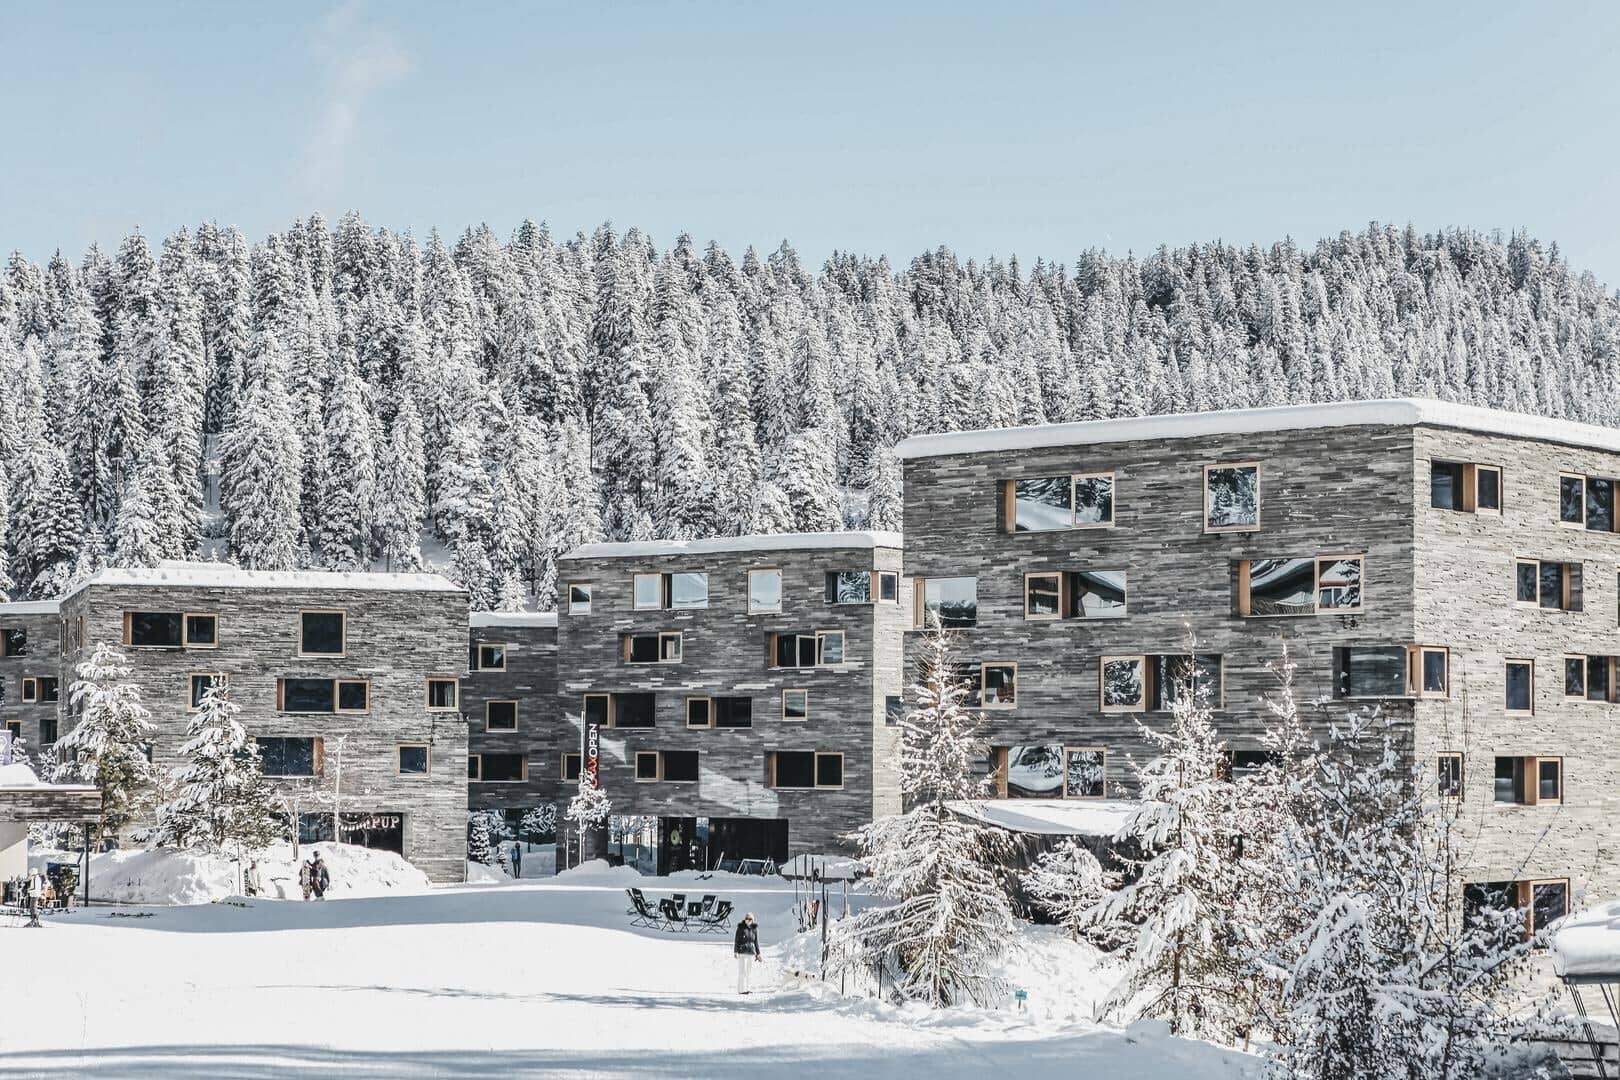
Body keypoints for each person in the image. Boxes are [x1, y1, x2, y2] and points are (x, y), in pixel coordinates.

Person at [733, 911, 761, 994]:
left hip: (751, 953)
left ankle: (747, 988)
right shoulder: (741, 928)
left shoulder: (754, 929)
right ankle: (741, 989)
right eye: (746, 918)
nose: (747, 920)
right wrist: (735, 951)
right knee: (742, 971)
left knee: (749, 972)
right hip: (742, 952)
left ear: (752, 920)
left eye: (749, 919)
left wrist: (758, 953)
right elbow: (736, 940)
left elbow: (756, 942)